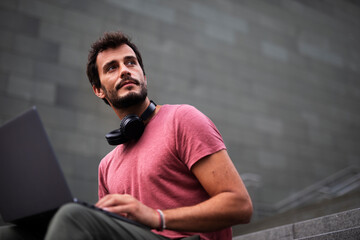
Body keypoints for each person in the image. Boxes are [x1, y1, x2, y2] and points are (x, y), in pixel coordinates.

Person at [0, 31, 252, 240]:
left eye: (131, 63)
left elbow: (240, 205)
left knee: (72, 216)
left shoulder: (182, 119)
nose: (125, 70)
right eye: (112, 67)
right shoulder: (107, 166)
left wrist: (157, 217)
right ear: (98, 90)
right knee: (12, 235)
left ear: (144, 75)